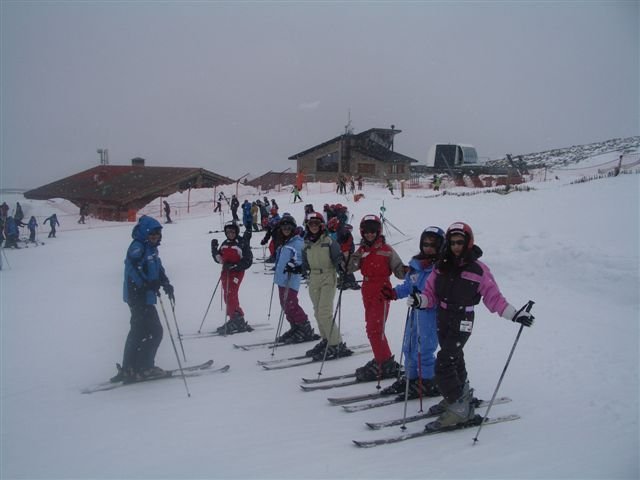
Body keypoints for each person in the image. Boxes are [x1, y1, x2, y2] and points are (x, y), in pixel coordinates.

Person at [408, 222, 534, 429]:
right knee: (455, 357)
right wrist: (420, 300)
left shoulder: (478, 269)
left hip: (463, 318)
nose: (456, 247)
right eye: (452, 242)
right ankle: (460, 395)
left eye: (460, 242)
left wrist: (514, 314)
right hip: (443, 316)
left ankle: (459, 408)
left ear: (468, 243)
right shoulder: (441, 266)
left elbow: (494, 298)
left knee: (444, 362)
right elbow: (430, 294)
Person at [379, 226, 445, 399]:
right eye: (425, 244)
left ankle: (427, 381)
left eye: (433, 245)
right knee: (409, 346)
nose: (428, 248)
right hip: (414, 313)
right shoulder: (417, 265)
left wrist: (423, 300)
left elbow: (441, 294)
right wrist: (394, 293)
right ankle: (411, 377)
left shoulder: (441, 269)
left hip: (430, 314)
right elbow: (409, 286)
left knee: (424, 349)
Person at [111, 216, 175, 383]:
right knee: (154, 331)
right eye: (151, 234)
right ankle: (143, 367)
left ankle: (131, 367)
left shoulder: (151, 248)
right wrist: (145, 284)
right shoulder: (137, 247)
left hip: (145, 296)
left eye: (157, 234)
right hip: (138, 297)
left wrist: (165, 282)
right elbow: (132, 268)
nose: (155, 237)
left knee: (140, 331)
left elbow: (157, 267)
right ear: (144, 233)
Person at [347, 215, 405, 381]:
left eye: (373, 231)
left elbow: (399, 271)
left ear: (378, 231)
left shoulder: (387, 250)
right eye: (367, 231)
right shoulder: (362, 250)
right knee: (371, 327)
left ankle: (384, 361)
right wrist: (347, 253)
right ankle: (382, 358)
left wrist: (411, 271)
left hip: (382, 290)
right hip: (367, 289)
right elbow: (349, 267)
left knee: (375, 329)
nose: (370, 234)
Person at [301, 212, 353, 360]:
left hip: (328, 276)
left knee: (324, 312)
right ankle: (326, 339)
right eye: (311, 224)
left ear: (321, 225)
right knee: (317, 312)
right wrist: (300, 269)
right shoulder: (306, 243)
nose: (314, 227)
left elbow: (338, 258)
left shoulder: (329, 241)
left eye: (316, 224)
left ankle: (336, 344)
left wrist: (342, 269)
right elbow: (305, 262)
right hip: (314, 277)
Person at [274, 214, 316, 344]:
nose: (286, 230)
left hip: (290, 280)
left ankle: (304, 327)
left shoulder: (297, 243)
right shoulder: (285, 242)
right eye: (283, 228)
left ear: (293, 228)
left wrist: (294, 266)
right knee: (285, 304)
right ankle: (295, 326)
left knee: (291, 304)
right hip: (282, 279)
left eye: (288, 227)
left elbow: (301, 259)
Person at [211, 221, 253, 334]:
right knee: (227, 295)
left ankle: (236, 319)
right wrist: (214, 250)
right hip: (225, 273)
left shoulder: (241, 243)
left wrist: (235, 266)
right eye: (228, 232)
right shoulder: (225, 243)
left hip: (236, 273)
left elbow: (248, 260)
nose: (230, 234)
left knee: (231, 294)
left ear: (237, 232)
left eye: (233, 232)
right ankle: (235, 317)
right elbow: (220, 259)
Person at [327, 217, 360, 290]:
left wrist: (345, 250)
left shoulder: (342, 230)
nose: (332, 229)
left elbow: (347, 241)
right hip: (343, 250)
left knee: (345, 266)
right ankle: (344, 281)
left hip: (346, 251)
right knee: (340, 266)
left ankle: (352, 282)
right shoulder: (339, 230)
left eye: (332, 226)